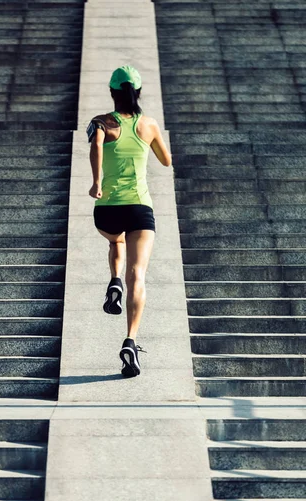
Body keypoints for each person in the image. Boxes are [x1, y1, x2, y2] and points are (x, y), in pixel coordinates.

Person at [87, 65, 172, 378]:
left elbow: (96, 146)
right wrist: (149, 142)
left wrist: (97, 182)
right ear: (137, 93)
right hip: (139, 207)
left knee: (115, 240)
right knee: (139, 274)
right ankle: (130, 341)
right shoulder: (147, 124)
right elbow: (166, 160)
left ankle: (113, 279)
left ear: (112, 93)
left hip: (107, 208)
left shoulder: (100, 123)